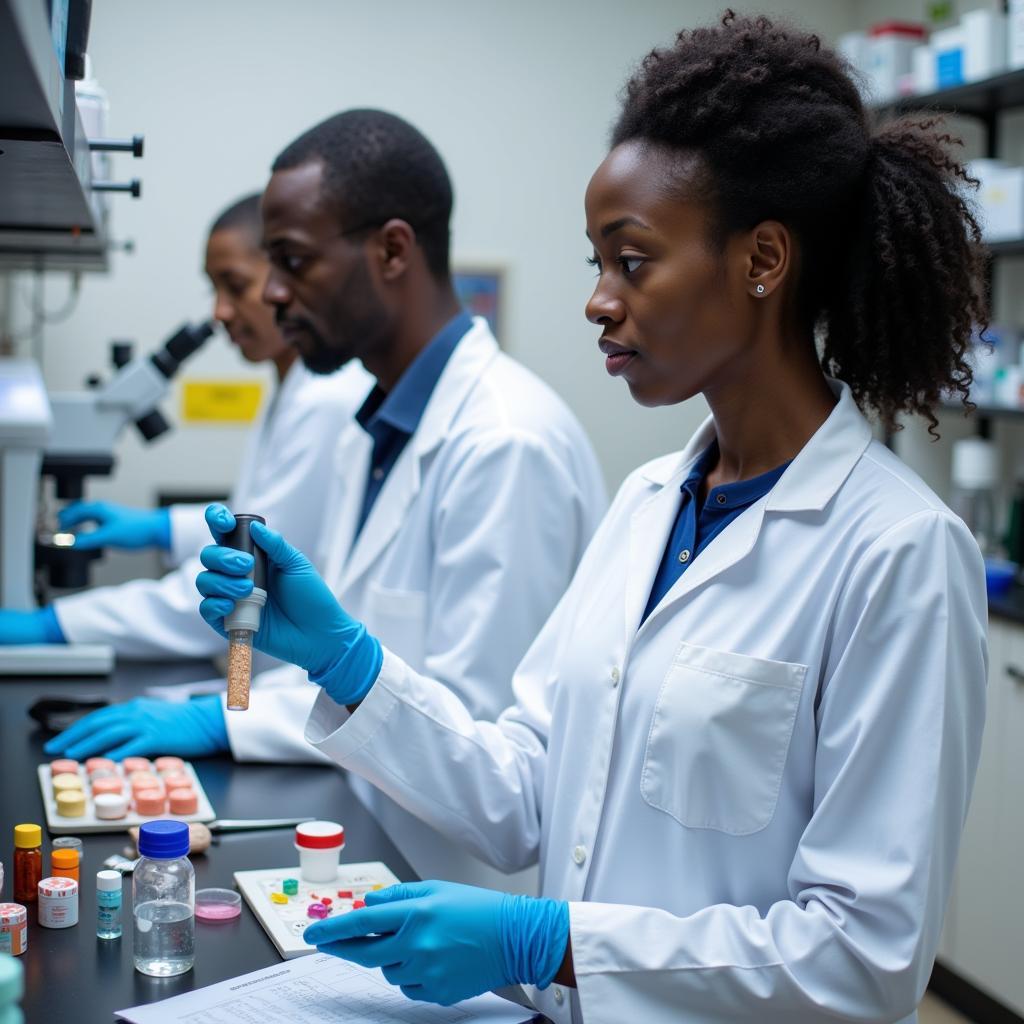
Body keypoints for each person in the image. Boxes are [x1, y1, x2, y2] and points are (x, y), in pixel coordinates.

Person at [194, 14, 988, 1022]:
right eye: (593, 263)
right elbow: (524, 788)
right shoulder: (649, 503)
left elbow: (860, 956)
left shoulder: (899, 554)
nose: (598, 302)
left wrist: (554, 941)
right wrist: (351, 665)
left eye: (633, 260)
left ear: (763, 259)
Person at [47, 110, 608, 890]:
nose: (273, 293)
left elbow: (490, 763)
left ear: (391, 250)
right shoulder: (370, 430)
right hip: (366, 845)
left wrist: (224, 716)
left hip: (459, 893)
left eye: (293, 261)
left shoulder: (506, 444)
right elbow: (337, 662)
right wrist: (222, 703)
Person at [0, 193, 370, 662]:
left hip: (291, 692)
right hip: (268, 684)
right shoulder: (292, 389)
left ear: (286, 279)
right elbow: (259, 523)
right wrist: (163, 528)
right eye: (213, 290)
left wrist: (54, 625)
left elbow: (248, 579)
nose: (219, 312)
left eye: (235, 286)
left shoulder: (324, 401)